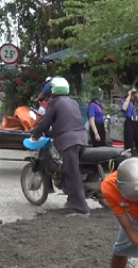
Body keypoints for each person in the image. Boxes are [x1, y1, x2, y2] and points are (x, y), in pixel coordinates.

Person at [30, 76, 90, 217]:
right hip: (81, 138)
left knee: (72, 174)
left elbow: (45, 123)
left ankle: (82, 210)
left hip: (69, 141)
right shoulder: (73, 102)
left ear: (53, 91)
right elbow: (67, 121)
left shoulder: (54, 103)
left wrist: (36, 133)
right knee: (71, 170)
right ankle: (71, 200)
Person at [122, 88, 138, 157]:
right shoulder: (125, 101)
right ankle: (127, 156)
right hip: (129, 122)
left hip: (136, 122)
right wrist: (129, 96)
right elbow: (124, 108)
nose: (133, 96)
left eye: (134, 94)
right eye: (132, 95)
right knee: (129, 141)